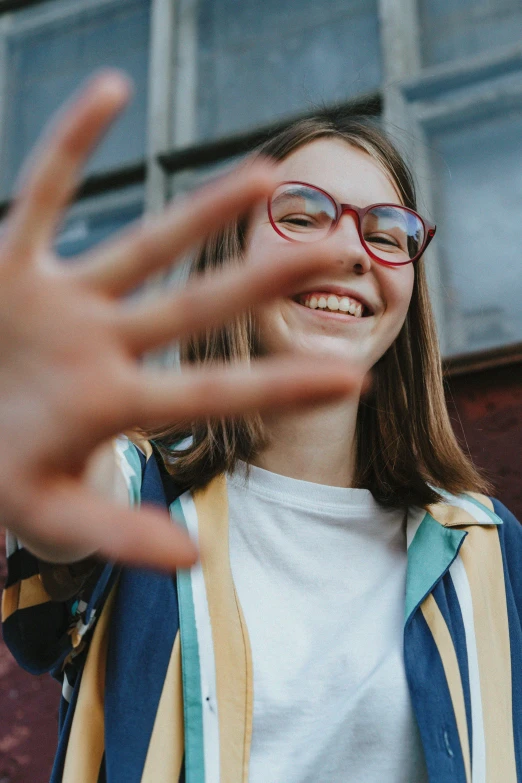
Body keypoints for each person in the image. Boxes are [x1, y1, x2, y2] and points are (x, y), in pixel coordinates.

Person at [1, 71, 521, 783]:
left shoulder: (490, 548)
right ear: (230, 259)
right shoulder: (140, 494)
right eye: (303, 216)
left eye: (387, 231)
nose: (349, 251)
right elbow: (61, 494)